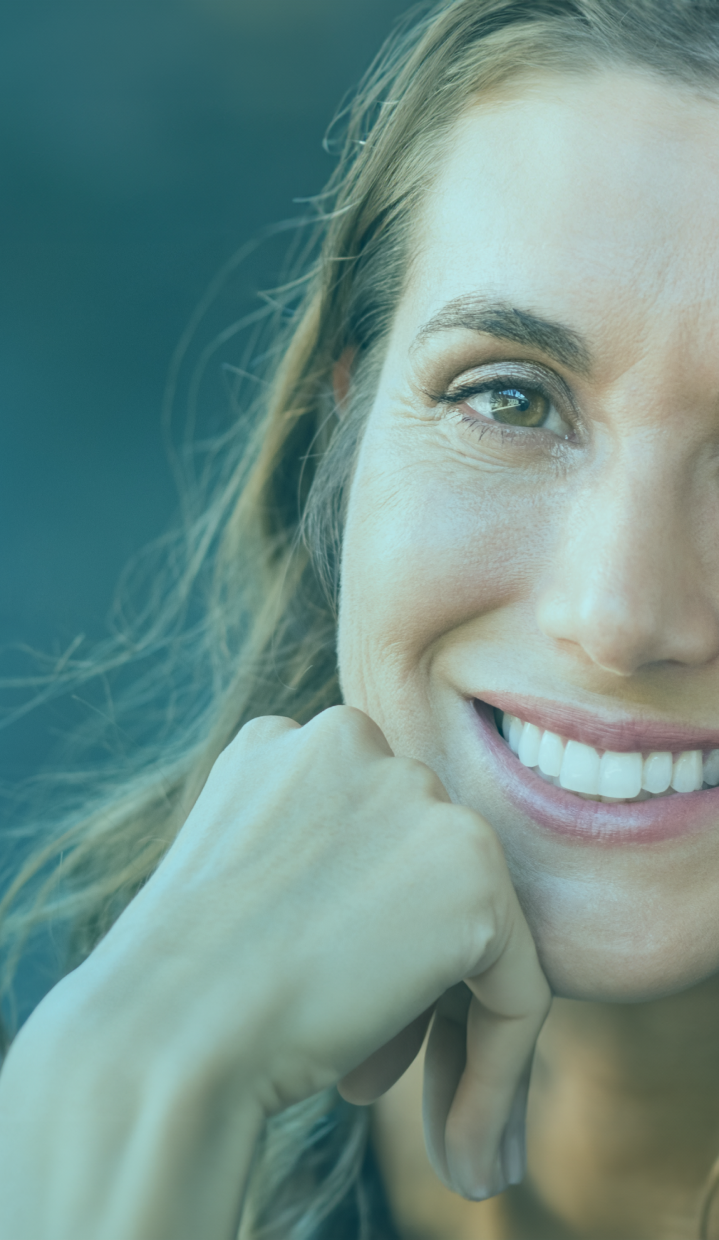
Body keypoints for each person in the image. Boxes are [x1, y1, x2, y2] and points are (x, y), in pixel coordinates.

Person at [4, 0, 719, 1235]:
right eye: (508, 399)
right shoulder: (60, 1019)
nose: (615, 614)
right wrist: (125, 1089)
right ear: (345, 426)